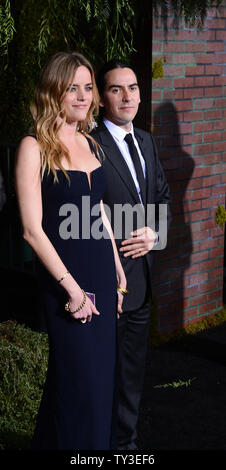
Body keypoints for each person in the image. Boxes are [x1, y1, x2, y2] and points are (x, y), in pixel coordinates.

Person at [15, 51, 127, 450]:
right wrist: (73, 289)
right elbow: (31, 230)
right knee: (76, 379)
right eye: (72, 88)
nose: (82, 96)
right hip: (66, 279)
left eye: (87, 87)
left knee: (100, 380)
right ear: (54, 92)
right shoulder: (33, 146)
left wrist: (115, 265)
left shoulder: (89, 142)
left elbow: (97, 209)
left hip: (98, 271)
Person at [92, 60, 171, 450]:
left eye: (133, 88)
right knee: (103, 377)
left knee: (131, 376)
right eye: (116, 89)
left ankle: (126, 446)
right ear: (102, 99)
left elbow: (162, 199)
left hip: (142, 282)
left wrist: (154, 234)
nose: (128, 97)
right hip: (108, 283)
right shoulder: (91, 145)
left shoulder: (146, 141)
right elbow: (85, 213)